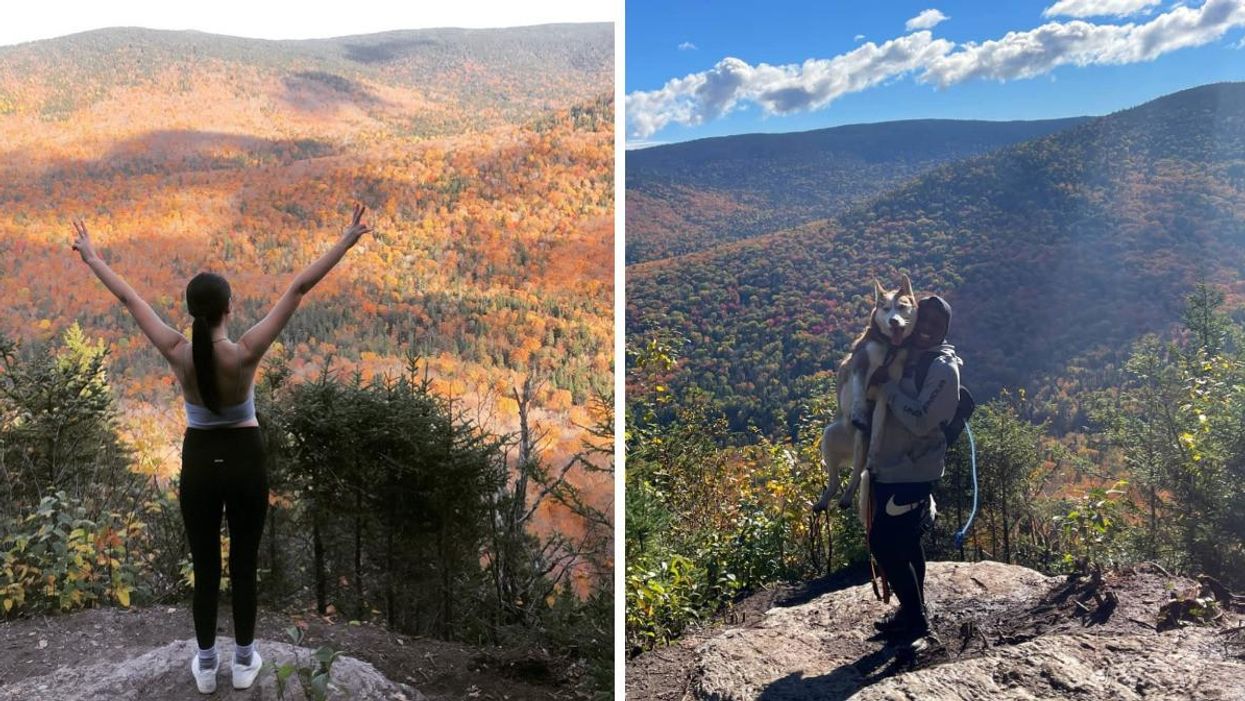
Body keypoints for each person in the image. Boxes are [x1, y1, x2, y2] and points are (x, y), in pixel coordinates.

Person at [72, 204, 373, 693]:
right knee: (245, 566)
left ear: (192, 312)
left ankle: (207, 667)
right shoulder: (246, 352)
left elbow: (129, 299)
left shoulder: (177, 352)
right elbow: (298, 288)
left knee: (207, 566)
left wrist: (91, 257)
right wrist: (345, 240)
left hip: (199, 464)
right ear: (228, 309)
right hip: (246, 459)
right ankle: (246, 661)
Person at [866, 294, 960, 656]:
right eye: (924, 321)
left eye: (936, 325)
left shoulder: (942, 368)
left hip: (911, 470)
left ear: (945, 329)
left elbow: (922, 421)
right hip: (892, 467)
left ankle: (919, 622)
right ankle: (911, 613)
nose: (927, 329)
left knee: (884, 543)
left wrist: (887, 388)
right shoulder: (909, 357)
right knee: (905, 542)